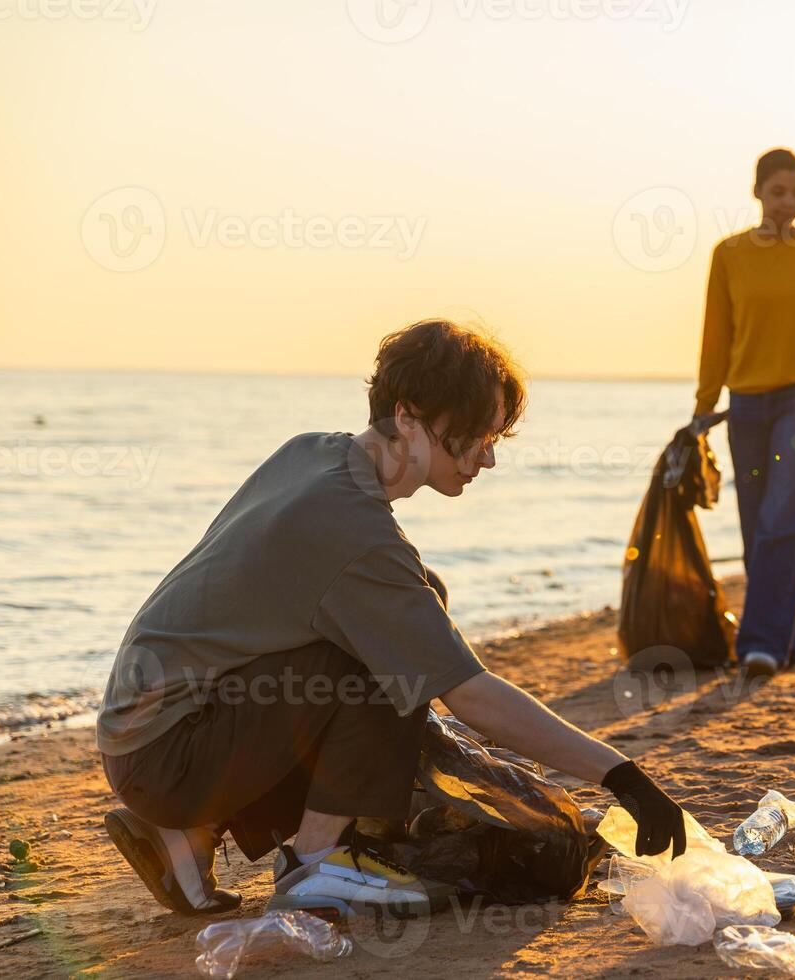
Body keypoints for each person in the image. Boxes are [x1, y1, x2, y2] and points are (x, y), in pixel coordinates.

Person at [97, 319, 687, 917]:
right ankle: (316, 864)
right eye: (476, 434)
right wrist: (622, 777)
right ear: (407, 417)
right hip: (172, 755)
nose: (487, 458)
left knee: (418, 601)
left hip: (146, 735)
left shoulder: (311, 452)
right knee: (390, 663)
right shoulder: (355, 535)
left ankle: (196, 832)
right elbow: (472, 696)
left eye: (497, 438)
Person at [692, 148, 795, 680]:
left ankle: (760, 643)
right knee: (755, 524)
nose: (788, 202)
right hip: (745, 404)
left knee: (782, 519)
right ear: (757, 192)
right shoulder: (728, 254)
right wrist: (703, 408)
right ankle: (787, 633)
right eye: (777, 191)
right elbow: (716, 337)